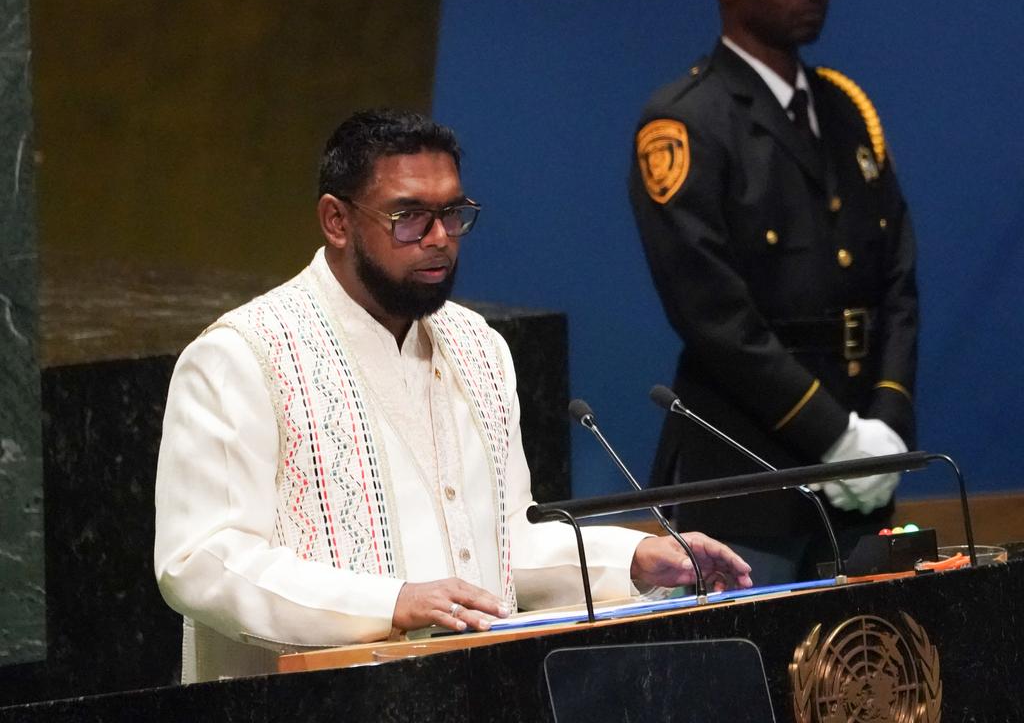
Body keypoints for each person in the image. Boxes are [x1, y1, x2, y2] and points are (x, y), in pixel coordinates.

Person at [155, 109, 752, 682]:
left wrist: (633, 559)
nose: (439, 239)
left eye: (453, 213)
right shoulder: (242, 356)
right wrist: (391, 603)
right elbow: (202, 561)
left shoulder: (478, 346)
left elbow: (503, 544)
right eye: (409, 216)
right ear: (336, 221)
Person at [629, 0, 918, 584]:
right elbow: (713, 315)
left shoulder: (846, 111)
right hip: (748, 478)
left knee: (873, 671)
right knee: (757, 671)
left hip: (866, 475)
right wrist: (834, 438)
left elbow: (897, 280)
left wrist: (886, 428)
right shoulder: (687, 121)